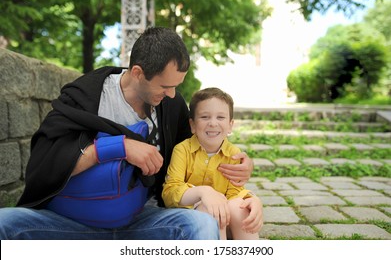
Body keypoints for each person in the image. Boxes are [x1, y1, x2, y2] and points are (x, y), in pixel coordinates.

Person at [0, 27, 258, 240]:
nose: (171, 94)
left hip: (143, 223)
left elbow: (196, 154)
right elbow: (46, 164)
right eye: (165, 86)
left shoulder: (171, 104)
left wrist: (240, 167)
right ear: (137, 73)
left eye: (176, 86)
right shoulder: (86, 98)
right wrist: (119, 147)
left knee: (200, 226)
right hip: (73, 224)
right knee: (5, 222)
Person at [162, 88, 262, 240]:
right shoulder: (182, 150)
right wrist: (203, 192)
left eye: (220, 117)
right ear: (193, 125)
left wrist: (251, 199)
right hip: (194, 220)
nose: (213, 123)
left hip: (226, 218)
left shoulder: (233, 153)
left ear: (230, 125)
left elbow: (235, 193)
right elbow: (170, 192)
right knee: (209, 209)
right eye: (204, 117)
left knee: (240, 207)